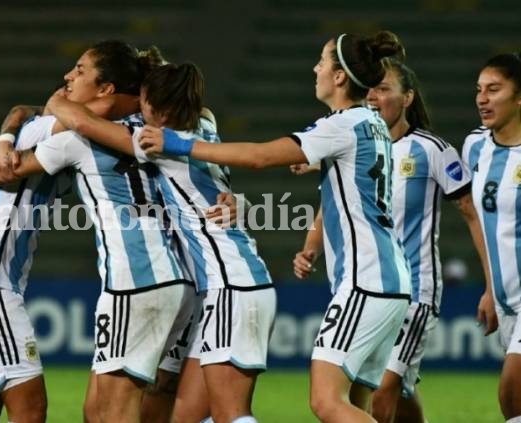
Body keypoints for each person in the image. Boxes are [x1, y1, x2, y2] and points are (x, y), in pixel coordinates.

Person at [140, 31, 412, 423]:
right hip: (389, 279)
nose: (315, 68)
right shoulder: (369, 123)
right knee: (354, 405)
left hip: (367, 278)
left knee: (326, 401)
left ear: (339, 77)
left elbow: (259, 156)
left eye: (322, 61)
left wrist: (179, 145)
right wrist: (317, 163)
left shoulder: (343, 124)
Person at [0, 40, 207, 423]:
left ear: (107, 87)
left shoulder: (79, 137)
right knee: (103, 409)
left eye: (79, 70)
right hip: (179, 278)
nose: (68, 77)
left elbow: (5, 168)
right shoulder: (162, 126)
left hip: (136, 279)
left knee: (114, 412)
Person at [43, 62, 275, 423]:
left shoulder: (158, 141)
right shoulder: (204, 128)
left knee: (231, 414)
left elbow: (84, 123)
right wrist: (240, 203)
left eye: (145, 101)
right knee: (187, 417)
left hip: (230, 282)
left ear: (162, 112)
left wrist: (57, 101)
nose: (139, 107)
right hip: (233, 282)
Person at [361, 59, 496, 422]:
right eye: (371, 89)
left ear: (407, 98)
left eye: (384, 88)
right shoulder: (360, 150)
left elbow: (471, 213)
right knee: (400, 388)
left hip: (415, 291)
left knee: (383, 390)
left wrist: (491, 284)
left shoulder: (432, 149)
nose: (374, 96)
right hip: (369, 289)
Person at [462, 52, 521, 423]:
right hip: (505, 299)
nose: (482, 98)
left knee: (512, 392)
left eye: (494, 89)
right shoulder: (475, 146)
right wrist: (488, 288)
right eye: (479, 90)